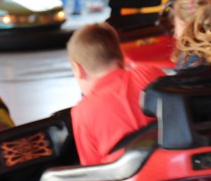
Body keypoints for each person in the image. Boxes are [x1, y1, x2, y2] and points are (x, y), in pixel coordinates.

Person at [68, 23, 164, 166]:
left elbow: (91, 170)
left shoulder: (81, 112)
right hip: (168, 165)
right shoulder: (150, 74)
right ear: (122, 55)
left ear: (78, 69)